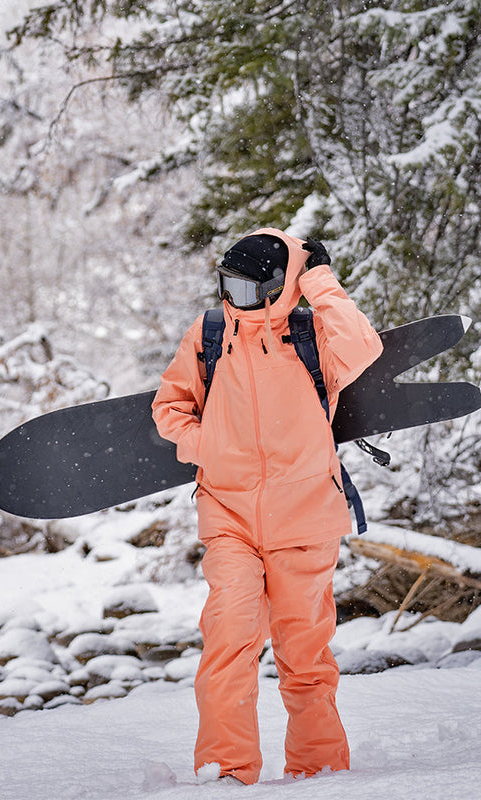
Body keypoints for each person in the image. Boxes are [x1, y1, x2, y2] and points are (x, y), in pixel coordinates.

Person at [151, 227, 383, 785]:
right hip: (229, 515)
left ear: (281, 287)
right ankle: (226, 773)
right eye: (227, 284)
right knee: (229, 638)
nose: (235, 299)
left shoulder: (312, 336)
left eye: (249, 289)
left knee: (304, 657)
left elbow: (363, 346)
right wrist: (206, 445)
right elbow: (170, 407)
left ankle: (321, 770)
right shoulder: (208, 335)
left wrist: (319, 280)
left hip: (305, 519)